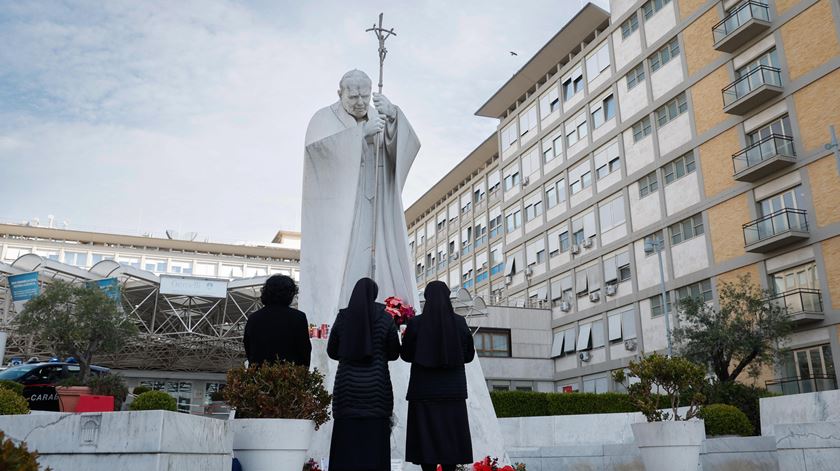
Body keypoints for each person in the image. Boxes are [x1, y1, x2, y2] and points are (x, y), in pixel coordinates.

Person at [299, 69, 421, 327]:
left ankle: (390, 315)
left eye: (364, 96)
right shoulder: (323, 118)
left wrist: (394, 117)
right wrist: (361, 135)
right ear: (339, 93)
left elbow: (404, 151)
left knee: (379, 259)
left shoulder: (379, 114)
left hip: (377, 206)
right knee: (347, 265)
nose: (359, 102)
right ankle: (336, 315)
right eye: (353, 96)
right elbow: (317, 156)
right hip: (344, 209)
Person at [327, 278, 401, 471]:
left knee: (346, 445)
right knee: (374, 445)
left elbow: (332, 351)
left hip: (346, 392)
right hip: (377, 393)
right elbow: (394, 353)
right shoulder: (386, 319)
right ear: (375, 295)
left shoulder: (343, 317)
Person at [401, 281, 475, 471]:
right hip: (453, 393)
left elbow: (406, 355)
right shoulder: (459, 323)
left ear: (426, 298)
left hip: (423, 392)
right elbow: (468, 356)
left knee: (426, 440)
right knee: (451, 439)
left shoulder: (416, 323)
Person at [243, 275, 311, 368]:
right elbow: (304, 349)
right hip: (289, 375)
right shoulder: (298, 317)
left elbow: (248, 347)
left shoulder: (254, 318)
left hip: (259, 375)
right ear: (290, 294)